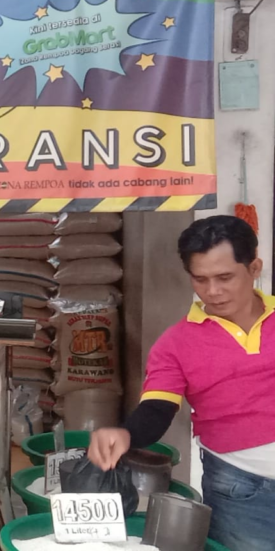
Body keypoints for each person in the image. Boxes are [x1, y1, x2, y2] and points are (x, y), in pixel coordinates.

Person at [87, 215, 275, 551]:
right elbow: (157, 408)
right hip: (240, 492)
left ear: (254, 268)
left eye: (225, 277)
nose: (213, 291)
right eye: (200, 279)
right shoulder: (176, 344)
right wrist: (126, 433)